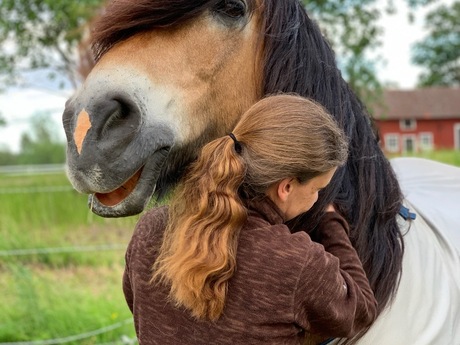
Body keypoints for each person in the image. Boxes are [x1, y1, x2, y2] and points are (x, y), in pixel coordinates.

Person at [123, 94, 377, 345]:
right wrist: (331, 221)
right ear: (286, 187)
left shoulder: (150, 229)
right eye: (317, 190)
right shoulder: (297, 262)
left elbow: (138, 306)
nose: (317, 199)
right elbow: (362, 310)